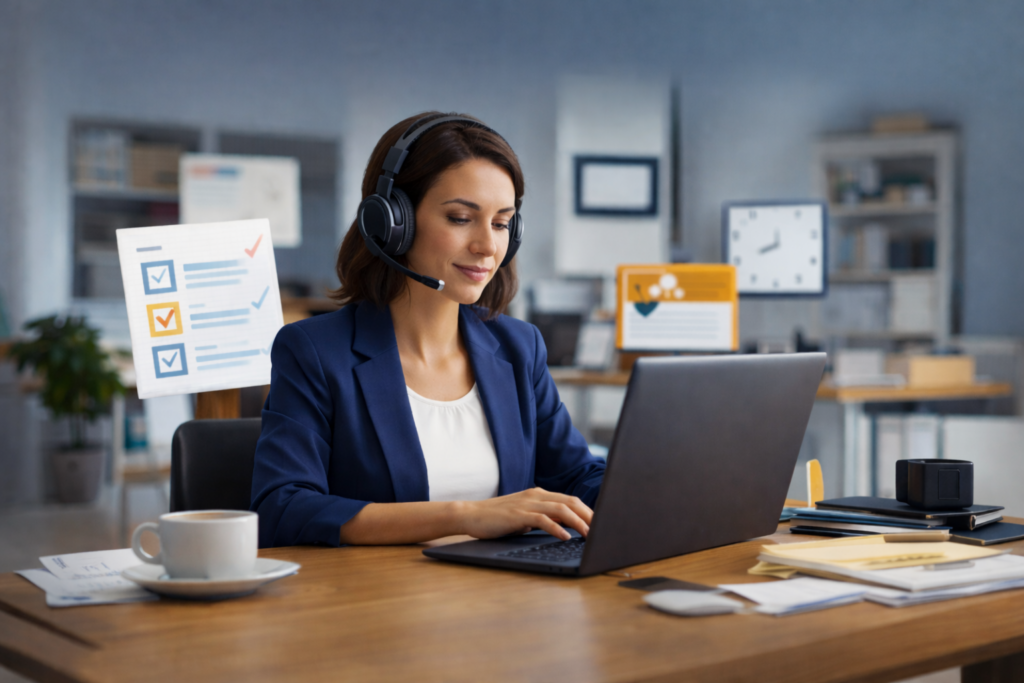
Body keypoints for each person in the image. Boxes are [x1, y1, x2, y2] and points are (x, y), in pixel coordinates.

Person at [250, 112, 605, 548]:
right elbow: (282, 508)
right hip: (379, 606)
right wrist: (466, 516)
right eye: (460, 218)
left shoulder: (518, 347)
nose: (488, 247)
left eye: (500, 223)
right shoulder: (315, 352)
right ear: (393, 222)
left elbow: (576, 475)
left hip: (508, 603)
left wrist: (666, 486)